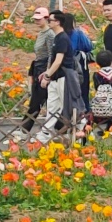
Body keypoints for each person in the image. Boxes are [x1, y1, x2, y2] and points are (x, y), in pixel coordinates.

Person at [33, 9, 83, 140]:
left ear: (58, 22)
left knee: (68, 104)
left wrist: (47, 75)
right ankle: (46, 132)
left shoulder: (62, 38)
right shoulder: (57, 37)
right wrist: (48, 74)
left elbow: (58, 60)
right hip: (56, 77)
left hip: (64, 77)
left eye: (50, 20)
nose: (48, 22)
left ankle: (82, 126)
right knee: (52, 106)